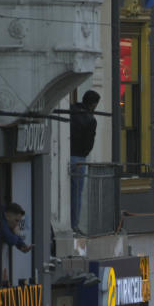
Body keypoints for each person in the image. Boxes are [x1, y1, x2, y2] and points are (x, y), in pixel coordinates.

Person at [69, 90, 99, 233]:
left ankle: (66, 223)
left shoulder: (71, 110)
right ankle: (74, 224)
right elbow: (89, 143)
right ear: (93, 105)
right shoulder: (91, 120)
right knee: (76, 194)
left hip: (66, 155)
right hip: (79, 158)